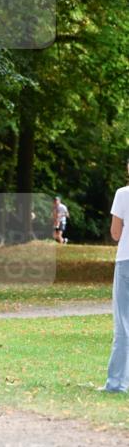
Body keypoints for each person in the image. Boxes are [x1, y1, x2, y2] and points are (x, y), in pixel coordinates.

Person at [101, 160, 129, 393]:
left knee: (123, 324)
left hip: (126, 261)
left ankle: (116, 383)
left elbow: (115, 233)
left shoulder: (123, 194)